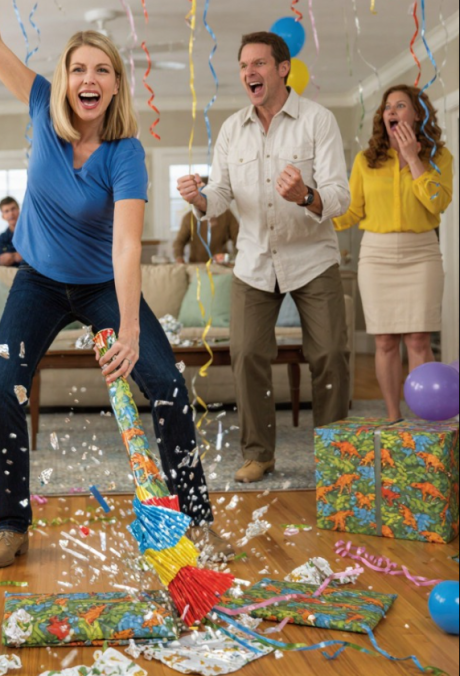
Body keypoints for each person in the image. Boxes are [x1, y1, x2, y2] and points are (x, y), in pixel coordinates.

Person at [0, 0, 232, 569]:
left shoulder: (125, 152)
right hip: (40, 282)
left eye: (102, 69)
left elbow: (128, 246)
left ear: (114, 84)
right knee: (1, 387)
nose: (88, 78)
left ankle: (197, 520)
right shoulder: (43, 106)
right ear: (67, 76)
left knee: (168, 385)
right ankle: (12, 522)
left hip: (103, 284)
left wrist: (128, 330)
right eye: (79, 67)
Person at [178, 31, 351, 484]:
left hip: (313, 258)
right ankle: (259, 453)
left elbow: (339, 196)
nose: (248, 73)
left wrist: (305, 194)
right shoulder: (233, 129)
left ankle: (334, 459)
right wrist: (198, 197)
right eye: (243, 66)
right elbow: (219, 196)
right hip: (254, 262)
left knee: (330, 353)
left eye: (258, 63)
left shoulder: (318, 120)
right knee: (248, 353)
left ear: (282, 68)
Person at [334, 85, 453, 421]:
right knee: (385, 340)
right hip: (377, 255)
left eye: (400, 105)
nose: (392, 111)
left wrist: (414, 158)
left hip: (422, 253)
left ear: (417, 113)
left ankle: (424, 418)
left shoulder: (439, 157)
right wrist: (313, 210)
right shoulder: (365, 160)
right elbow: (351, 212)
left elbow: (438, 203)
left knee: (418, 339)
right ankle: (392, 417)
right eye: (388, 106)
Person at [173, 207, 239, 264]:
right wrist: (179, 257)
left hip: (221, 265)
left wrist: (236, 258)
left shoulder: (226, 215)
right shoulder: (189, 218)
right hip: (198, 266)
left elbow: (238, 239)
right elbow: (179, 242)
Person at [0, 196, 23, 267]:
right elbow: (1, 261)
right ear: (3, 216)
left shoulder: (31, 233)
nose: (11, 214)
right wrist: (17, 256)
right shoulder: (0, 239)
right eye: (6, 211)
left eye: (13, 209)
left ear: (19, 210)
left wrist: (11, 256)